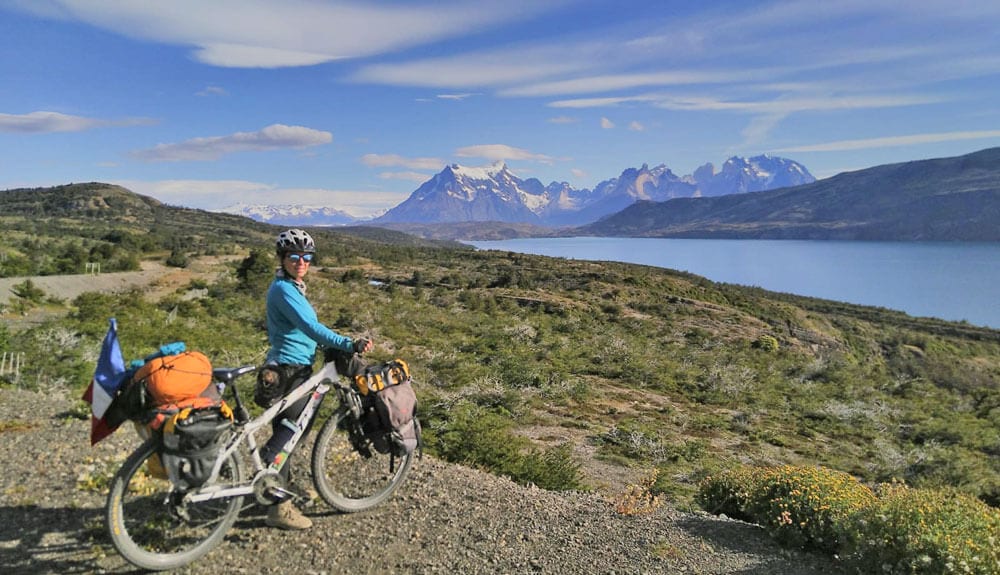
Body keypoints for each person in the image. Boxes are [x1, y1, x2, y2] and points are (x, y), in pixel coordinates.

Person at [257, 228, 373, 530]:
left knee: (293, 435)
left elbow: (305, 328)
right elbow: (310, 326)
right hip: (290, 369)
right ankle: (278, 508)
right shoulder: (284, 290)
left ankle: (280, 489)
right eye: (294, 256)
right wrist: (348, 343)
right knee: (287, 437)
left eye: (306, 256)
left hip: (291, 365)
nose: (301, 261)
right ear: (283, 258)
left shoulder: (290, 286)